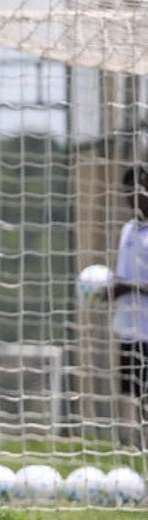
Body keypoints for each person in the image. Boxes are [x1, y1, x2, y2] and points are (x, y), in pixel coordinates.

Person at [110, 164, 148, 448]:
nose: (134, 197)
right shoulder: (128, 230)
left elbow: (132, 282)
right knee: (139, 400)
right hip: (130, 331)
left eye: (140, 189)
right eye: (128, 191)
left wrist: (130, 287)